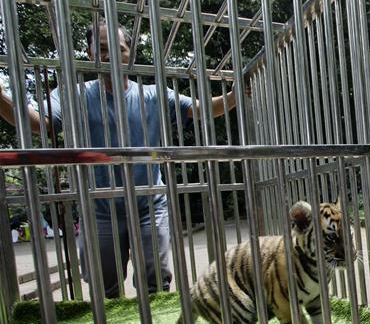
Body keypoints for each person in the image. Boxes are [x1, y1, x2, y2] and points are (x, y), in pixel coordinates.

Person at [0, 22, 240, 298]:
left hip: (150, 205)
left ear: (130, 53)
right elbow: (37, 123)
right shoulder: (73, 94)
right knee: (104, 287)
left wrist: (234, 95)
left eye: (119, 48)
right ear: (90, 52)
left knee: (156, 284)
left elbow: (202, 109)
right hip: (98, 208)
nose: (110, 55)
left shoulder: (153, 94)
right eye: (102, 49)